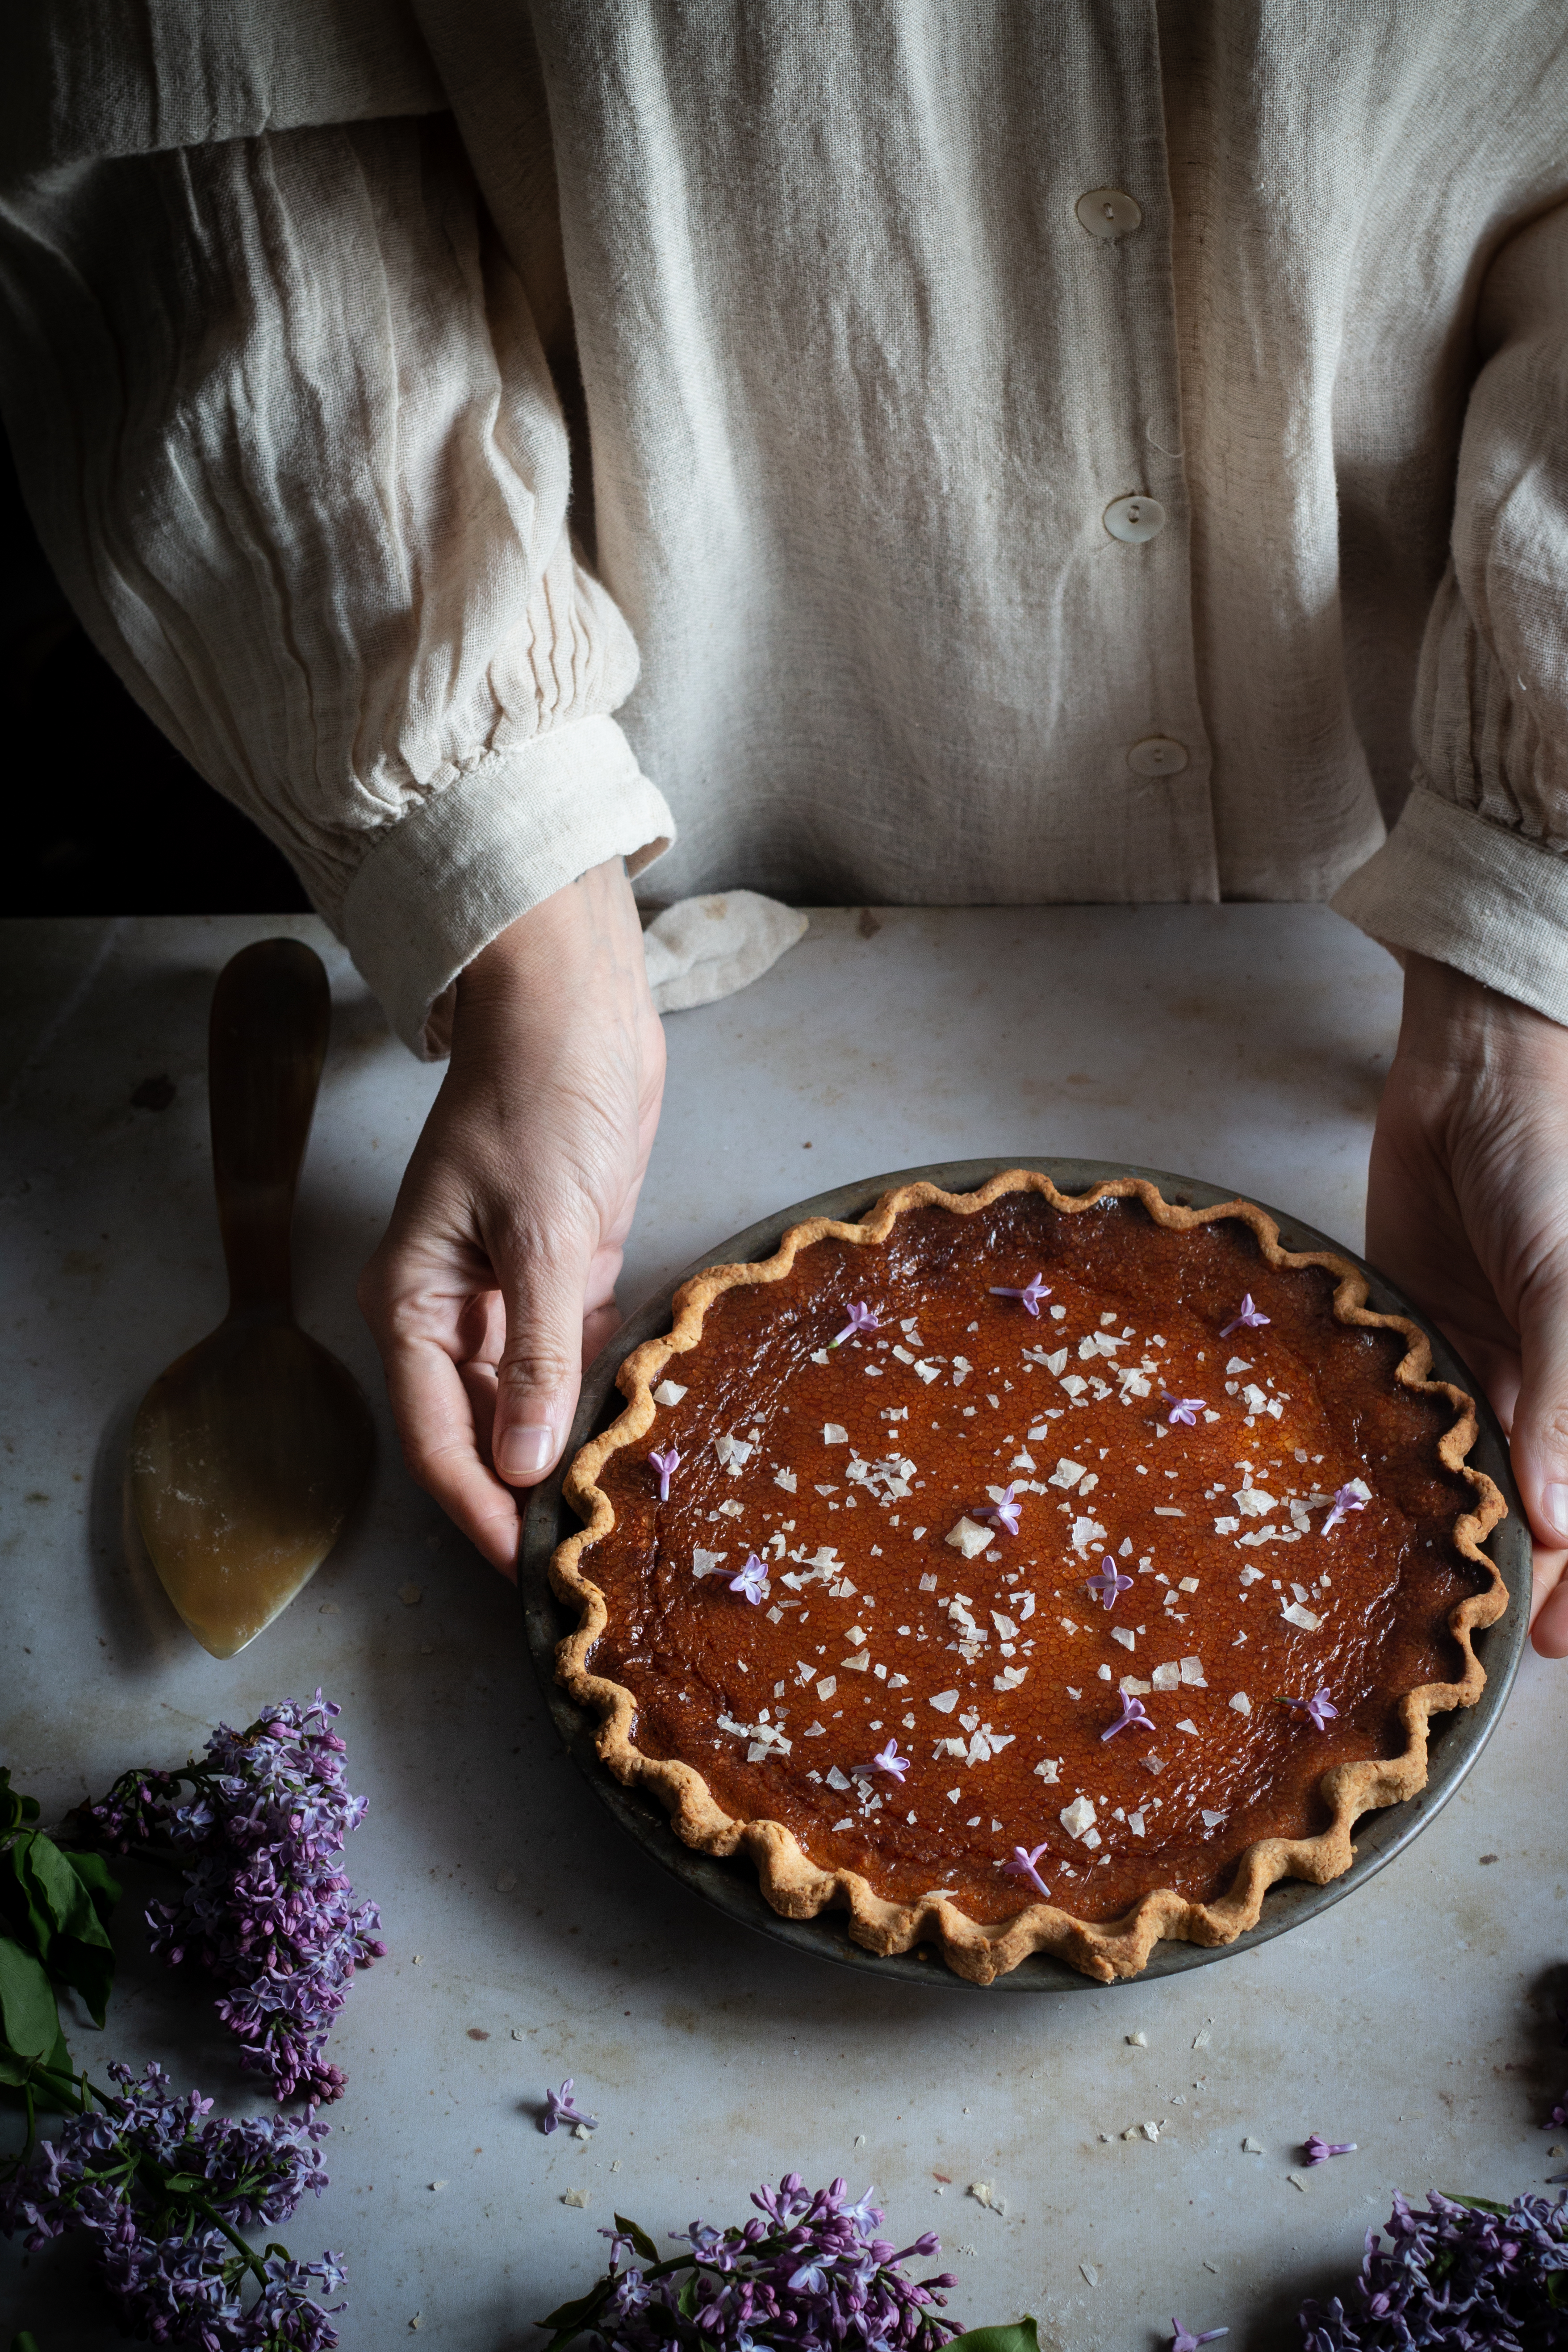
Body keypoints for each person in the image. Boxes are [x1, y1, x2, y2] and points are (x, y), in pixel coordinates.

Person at [4, 5, 1568, 1650]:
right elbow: (222, 128)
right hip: (664, 870)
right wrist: (531, 932)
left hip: (1399, 905)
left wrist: (1521, 977)